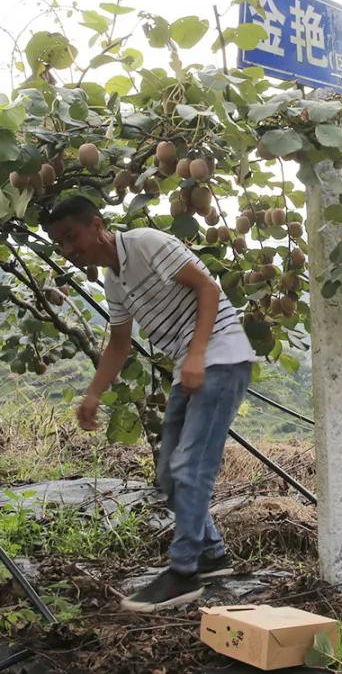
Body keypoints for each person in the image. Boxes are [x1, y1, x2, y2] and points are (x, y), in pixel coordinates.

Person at [43, 196, 255, 612]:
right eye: (59, 244)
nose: (68, 250)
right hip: (191, 366)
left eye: (71, 236)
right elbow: (120, 342)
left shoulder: (146, 243)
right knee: (169, 474)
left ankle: (184, 572)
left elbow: (208, 288)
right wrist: (93, 393)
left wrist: (195, 354)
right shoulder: (113, 280)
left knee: (190, 466)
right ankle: (212, 558)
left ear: (97, 224)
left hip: (222, 357)